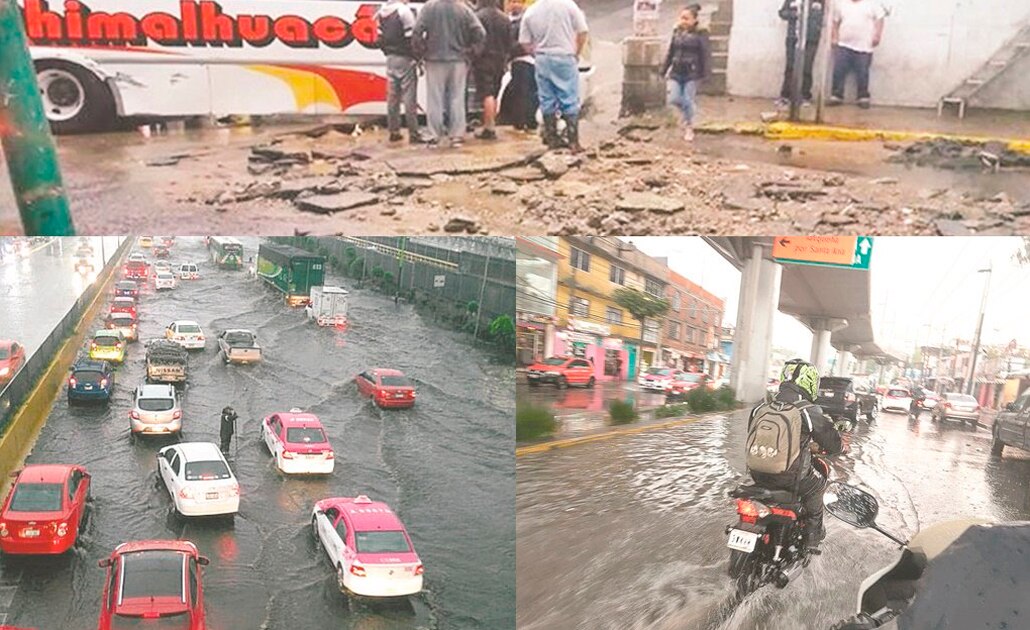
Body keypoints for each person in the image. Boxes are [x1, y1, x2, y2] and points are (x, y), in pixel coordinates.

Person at [747, 359, 842, 548]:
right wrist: (839, 448)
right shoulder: (807, 410)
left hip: (757, 474)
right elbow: (832, 443)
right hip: (791, 479)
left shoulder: (761, 407)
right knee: (818, 487)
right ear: (810, 382)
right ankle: (811, 541)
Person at [412, 0, 486, 148]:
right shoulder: (463, 9)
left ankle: (435, 135)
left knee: (435, 99)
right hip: (458, 60)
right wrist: (472, 51)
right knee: (457, 98)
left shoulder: (429, 7)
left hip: (433, 59)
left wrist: (420, 52)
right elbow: (480, 32)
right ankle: (456, 136)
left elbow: (417, 31)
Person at [519, 0, 589, 152]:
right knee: (569, 98)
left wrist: (536, 53)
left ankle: (552, 139)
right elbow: (583, 31)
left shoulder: (531, 11)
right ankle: (573, 142)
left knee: (546, 98)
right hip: (564, 56)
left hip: (542, 58)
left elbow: (524, 41)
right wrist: (576, 52)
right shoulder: (568, 5)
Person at [660, 5, 710, 142]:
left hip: (692, 73)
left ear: (694, 20)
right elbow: (671, 52)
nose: (683, 21)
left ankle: (689, 126)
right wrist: (664, 69)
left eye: (686, 18)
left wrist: (706, 73)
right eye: (681, 18)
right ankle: (690, 111)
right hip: (676, 71)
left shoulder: (701, 34)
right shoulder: (677, 32)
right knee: (674, 99)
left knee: (687, 98)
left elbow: (705, 54)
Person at [377, 0, 424, 144]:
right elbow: (411, 38)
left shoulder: (381, 12)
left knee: (393, 97)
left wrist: (388, 53)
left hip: (390, 59)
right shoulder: (404, 11)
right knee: (409, 97)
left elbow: (379, 39)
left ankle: (394, 131)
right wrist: (417, 58)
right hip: (405, 58)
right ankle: (414, 133)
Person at [829, 0, 887, 109]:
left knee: (863, 72)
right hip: (844, 44)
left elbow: (880, 19)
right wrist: (834, 37)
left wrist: (877, 35)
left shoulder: (872, 3)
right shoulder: (841, 4)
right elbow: (835, 22)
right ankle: (836, 95)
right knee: (839, 70)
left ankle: (863, 97)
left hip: (864, 46)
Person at [473, 0, 513, 140]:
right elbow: (510, 43)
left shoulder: (478, 16)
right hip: (499, 60)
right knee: (494, 93)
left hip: (484, 59)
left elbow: (475, 38)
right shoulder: (505, 18)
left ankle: (489, 128)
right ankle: (491, 123)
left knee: (486, 93)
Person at [776, 0, 824, 108]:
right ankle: (786, 96)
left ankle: (805, 96)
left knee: (807, 67)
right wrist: (796, 14)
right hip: (793, 38)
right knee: (790, 67)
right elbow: (782, 13)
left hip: (811, 39)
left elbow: (825, 15)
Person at [502, 0, 538, 132]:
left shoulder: (523, 21)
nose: (514, 5)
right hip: (520, 60)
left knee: (525, 92)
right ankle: (525, 120)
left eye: (518, 2)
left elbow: (519, 43)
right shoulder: (510, 20)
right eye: (512, 2)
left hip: (525, 60)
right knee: (523, 92)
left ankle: (525, 121)